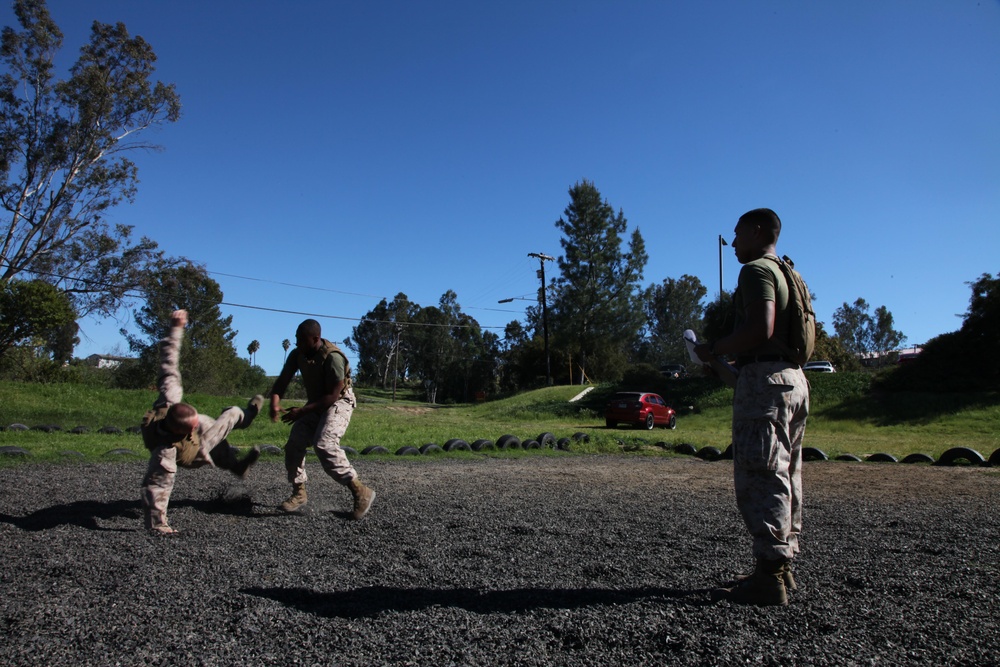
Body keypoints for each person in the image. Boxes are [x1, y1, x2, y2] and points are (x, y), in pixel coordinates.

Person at [695, 207, 810, 606]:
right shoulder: (788, 272)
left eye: (738, 233)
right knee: (786, 472)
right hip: (793, 380)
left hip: (767, 385)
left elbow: (761, 328)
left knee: (761, 475)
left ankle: (769, 576)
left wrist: (715, 347)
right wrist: (721, 363)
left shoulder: (756, 270)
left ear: (759, 230)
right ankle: (781, 565)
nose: (733, 241)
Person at [140, 309, 264, 535]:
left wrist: (176, 328)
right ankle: (243, 425)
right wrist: (158, 525)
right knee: (228, 419)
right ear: (186, 432)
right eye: (192, 425)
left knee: (222, 420)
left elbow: (168, 363)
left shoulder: (169, 400)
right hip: (195, 453)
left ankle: (239, 457)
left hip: (195, 431)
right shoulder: (165, 453)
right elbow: (157, 488)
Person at [268, 319, 375, 520]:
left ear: (315, 339)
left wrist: (301, 412)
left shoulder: (332, 357)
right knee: (294, 444)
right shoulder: (297, 354)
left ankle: (360, 491)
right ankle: (299, 493)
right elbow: (282, 380)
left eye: (301, 340)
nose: (297, 344)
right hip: (316, 402)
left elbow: (333, 395)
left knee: (324, 443)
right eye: (296, 339)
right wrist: (274, 402)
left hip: (339, 401)